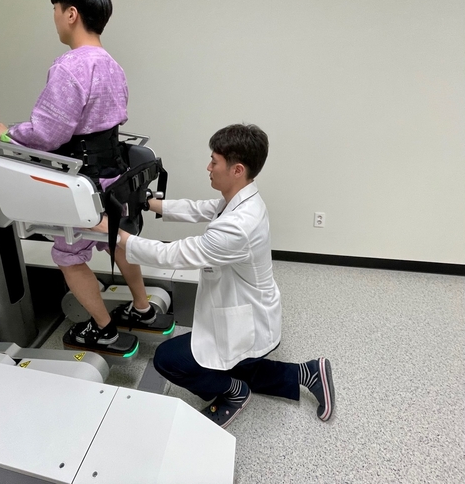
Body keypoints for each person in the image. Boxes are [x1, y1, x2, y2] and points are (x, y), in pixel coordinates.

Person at [100, 124, 335, 428]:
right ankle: (307, 372)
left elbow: (173, 254)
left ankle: (233, 393)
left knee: (168, 360)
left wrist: (115, 235)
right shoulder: (241, 198)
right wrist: (148, 203)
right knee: (229, 363)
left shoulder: (238, 226)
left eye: (214, 161)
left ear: (237, 170)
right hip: (250, 308)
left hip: (248, 322)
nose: (208, 167)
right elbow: (201, 208)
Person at [0, 0, 158, 348]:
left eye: (55, 10)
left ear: (71, 14)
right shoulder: (112, 65)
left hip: (82, 182)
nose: (55, 17)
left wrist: (6, 133)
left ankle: (104, 329)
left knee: (67, 255)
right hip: (114, 176)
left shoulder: (69, 66)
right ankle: (143, 309)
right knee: (117, 241)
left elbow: (47, 133)